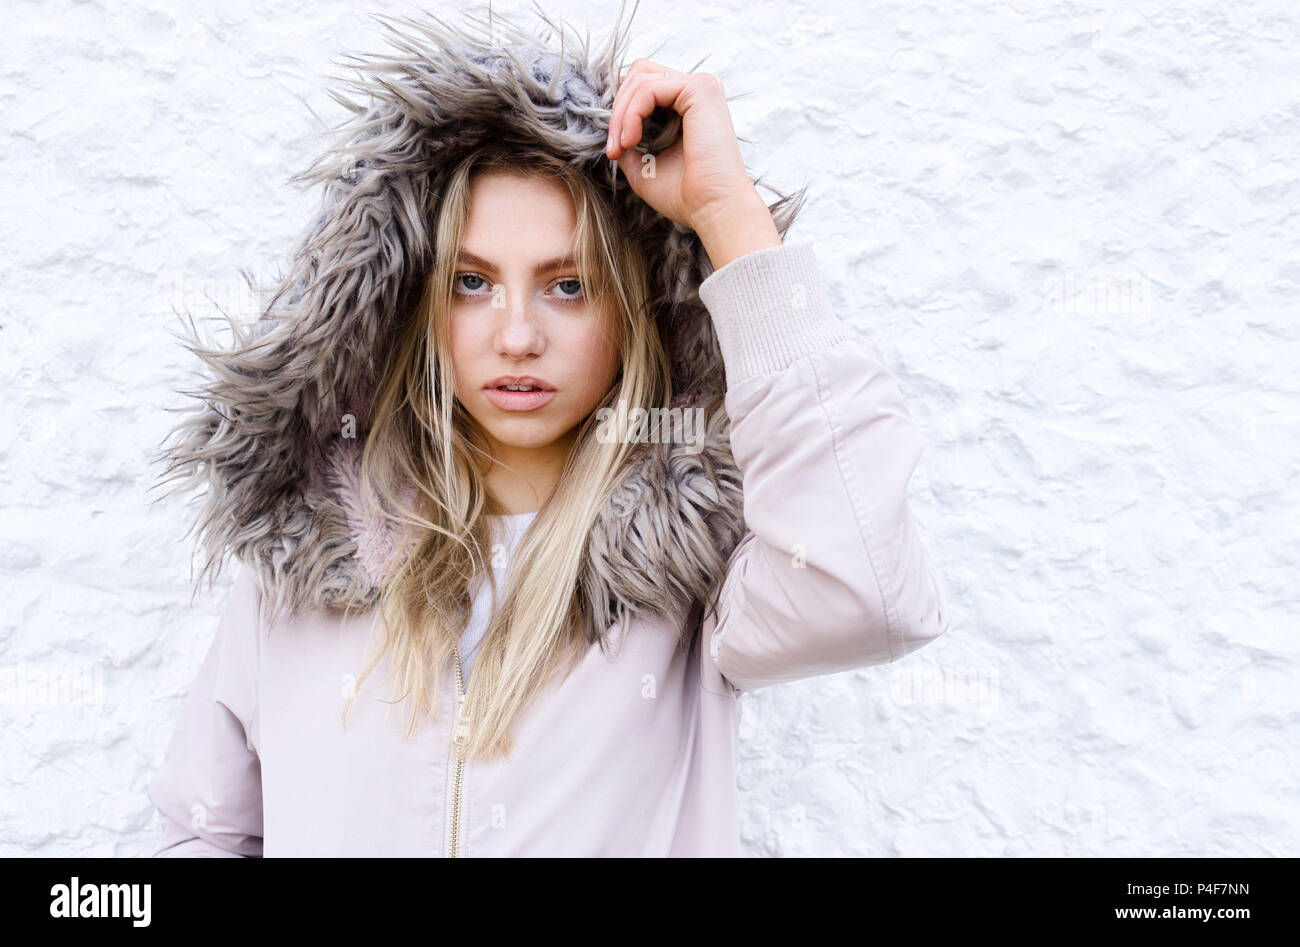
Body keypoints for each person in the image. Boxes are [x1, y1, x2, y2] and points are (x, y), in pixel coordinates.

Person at [146, 3, 951, 857]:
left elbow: (869, 590)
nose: (518, 334)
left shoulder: (688, 574)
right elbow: (204, 831)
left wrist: (727, 215)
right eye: (471, 282)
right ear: (415, 302)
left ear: (633, 311)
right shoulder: (306, 558)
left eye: (568, 284)